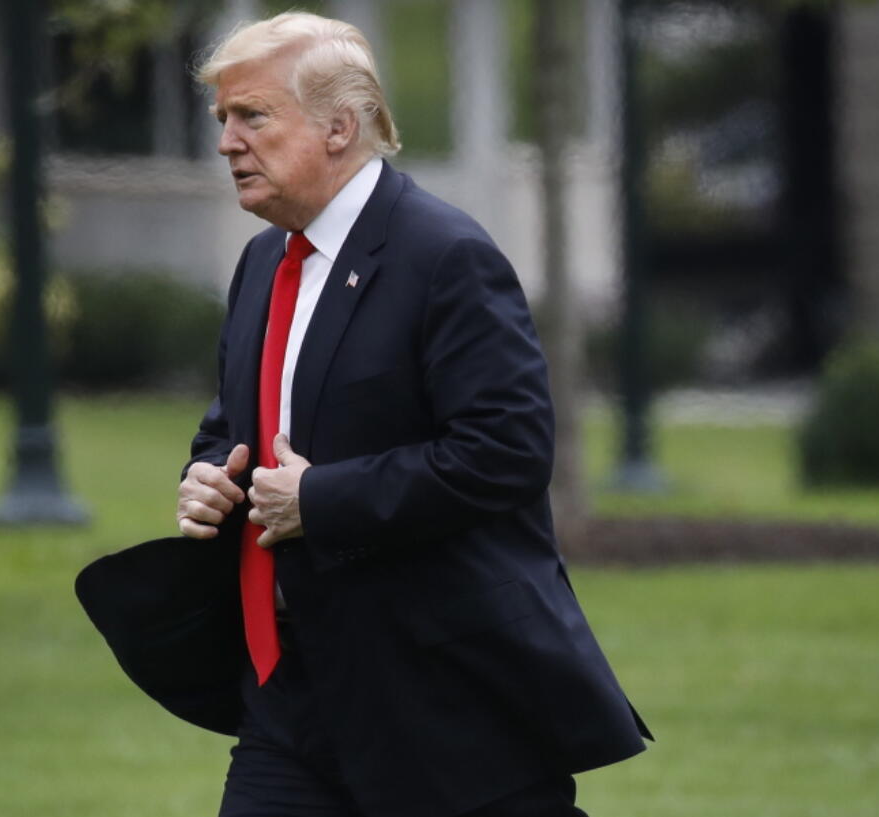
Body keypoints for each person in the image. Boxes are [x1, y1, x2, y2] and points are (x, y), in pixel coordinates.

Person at [175, 12, 651, 817]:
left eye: (252, 115)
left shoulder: (444, 255)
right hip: (292, 693)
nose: (227, 141)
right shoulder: (263, 261)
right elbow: (235, 429)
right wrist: (207, 478)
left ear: (339, 127)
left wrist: (320, 500)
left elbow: (506, 451)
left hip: (442, 701)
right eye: (223, 119)